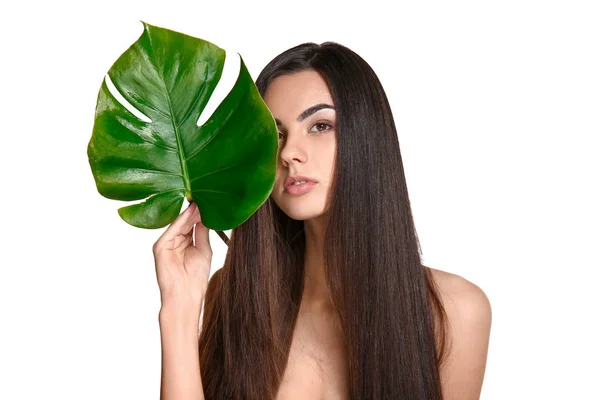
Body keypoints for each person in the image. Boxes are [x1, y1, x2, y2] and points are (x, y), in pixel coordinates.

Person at [153, 42, 492, 400]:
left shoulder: (454, 311)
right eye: (275, 133)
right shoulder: (235, 294)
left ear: (366, 139)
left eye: (320, 126)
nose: (288, 153)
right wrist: (179, 307)